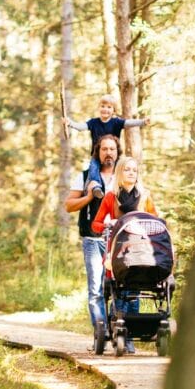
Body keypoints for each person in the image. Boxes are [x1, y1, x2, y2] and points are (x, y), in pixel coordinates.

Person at [92, 156, 158, 354]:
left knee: (134, 290)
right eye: (127, 169)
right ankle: (118, 329)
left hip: (140, 250)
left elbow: (156, 220)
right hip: (117, 251)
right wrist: (107, 223)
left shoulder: (145, 196)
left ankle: (128, 335)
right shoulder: (111, 197)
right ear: (120, 172)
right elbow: (95, 225)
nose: (131, 173)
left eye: (134, 170)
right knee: (119, 292)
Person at [65, 134, 121, 343]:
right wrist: (88, 197)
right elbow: (69, 205)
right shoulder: (87, 175)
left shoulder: (124, 175)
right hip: (93, 239)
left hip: (119, 241)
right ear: (97, 152)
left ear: (117, 152)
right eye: (104, 149)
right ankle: (101, 334)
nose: (108, 153)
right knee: (96, 290)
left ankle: (122, 334)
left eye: (112, 149)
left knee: (120, 288)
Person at [67, 94, 150, 190]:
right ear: (99, 108)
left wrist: (142, 122)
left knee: (123, 167)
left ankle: (126, 187)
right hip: (97, 155)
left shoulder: (116, 122)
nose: (105, 109)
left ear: (113, 110)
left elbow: (129, 123)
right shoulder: (93, 122)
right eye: (102, 106)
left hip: (114, 155)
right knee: (93, 169)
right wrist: (70, 123)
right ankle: (96, 187)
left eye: (109, 107)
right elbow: (81, 127)